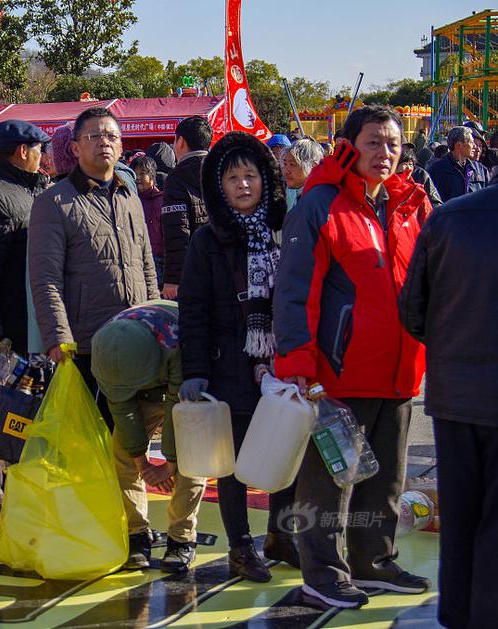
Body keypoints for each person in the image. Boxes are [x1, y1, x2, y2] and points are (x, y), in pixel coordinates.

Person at [274, 105, 432, 608]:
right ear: (348, 145)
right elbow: (295, 292)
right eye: (373, 142)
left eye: (392, 143)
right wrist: (298, 364)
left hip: (401, 370)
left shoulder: (410, 205)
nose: (385, 153)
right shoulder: (319, 205)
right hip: (337, 374)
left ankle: (374, 562)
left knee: (386, 479)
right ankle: (321, 572)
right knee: (329, 485)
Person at [179, 131, 298, 583]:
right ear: (219, 186)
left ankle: (282, 537)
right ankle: (240, 547)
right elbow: (193, 309)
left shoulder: (282, 230)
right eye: (233, 178)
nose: (243, 185)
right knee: (233, 464)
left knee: (287, 449)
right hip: (228, 363)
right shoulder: (207, 240)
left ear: (266, 180)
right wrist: (195, 371)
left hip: (282, 363)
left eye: (250, 175)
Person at [399, 184, 498, 629]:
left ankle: (457, 611)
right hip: (466, 390)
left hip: (454, 392)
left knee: (459, 513)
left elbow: (412, 308)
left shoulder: (447, 219)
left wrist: (449, 348)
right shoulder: (447, 219)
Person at [29, 107, 159, 426]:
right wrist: (57, 337)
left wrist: (155, 317)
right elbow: (45, 278)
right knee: (92, 436)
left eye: (112, 136)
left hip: (134, 336)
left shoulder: (129, 196)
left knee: (131, 439)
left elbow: (146, 263)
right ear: (75, 148)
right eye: (94, 136)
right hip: (87, 343)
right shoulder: (54, 202)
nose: (105, 142)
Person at [92, 300, 206, 573]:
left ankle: (181, 539)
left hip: (185, 387)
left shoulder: (176, 340)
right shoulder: (105, 349)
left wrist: (171, 463)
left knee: (192, 457)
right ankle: (136, 533)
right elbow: (121, 406)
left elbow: (180, 408)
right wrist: (141, 462)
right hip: (145, 382)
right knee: (121, 451)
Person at [0, 120, 50, 354]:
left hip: (31, 314)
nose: (42, 156)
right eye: (38, 149)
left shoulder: (26, 188)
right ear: (23, 151)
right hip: (13, 320)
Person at [160, 116, 212, 300]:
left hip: (194, 271)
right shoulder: (225, 171)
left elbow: (177, 232)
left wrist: (173, 279)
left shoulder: (177, 178)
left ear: (180, 141)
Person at [427, 126, 489, 203]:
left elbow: (488, 199)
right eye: (471, 142)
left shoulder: (481, 170)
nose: (474, 146)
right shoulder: (436, 170)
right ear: (459, 145)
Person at [130, 156, 165, 286]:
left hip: (159, 261)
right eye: (135, 174)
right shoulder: (130, 200)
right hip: (137, 260)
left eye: (142, 173)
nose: (138, 178)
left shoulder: (162, 200)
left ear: (151, 176)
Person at [280, 137, 324, 211]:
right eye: (285, 164)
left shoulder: (320, 200)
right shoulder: (283, 192)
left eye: (292, 164)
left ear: (313, 166)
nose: (286, 171)